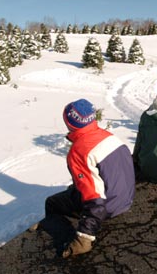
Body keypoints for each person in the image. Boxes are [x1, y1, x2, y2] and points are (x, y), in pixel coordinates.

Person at [44, 99, 135, 258]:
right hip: (126, 198)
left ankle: (64, 237)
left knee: (52, 203)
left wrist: (84, 238)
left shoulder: (79, 151)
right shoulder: (110, 137)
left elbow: (95, 200)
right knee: (73, 190)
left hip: (109, 206)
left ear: (69, 123)